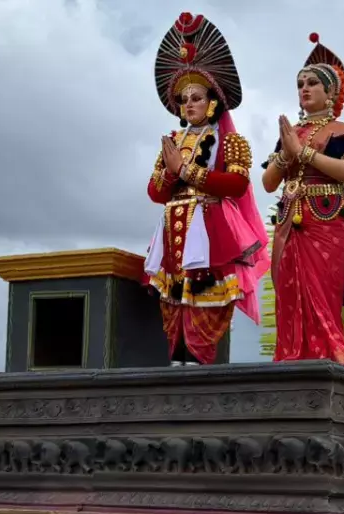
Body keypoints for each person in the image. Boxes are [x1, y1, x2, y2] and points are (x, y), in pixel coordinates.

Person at [145, 12, 270, 366]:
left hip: (211, 230)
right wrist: (171, 174)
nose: (189, 104)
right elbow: (155, 192)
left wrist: (186, 170)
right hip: (174, 229)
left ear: (212, 102)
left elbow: (237, 183)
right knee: (173, 302)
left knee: (208, 301)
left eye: (196, 97)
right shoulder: (172, 140)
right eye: (184, 100)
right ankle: (177, 363)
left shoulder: (229, 141)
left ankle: (203, 370)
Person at [261, 33, 344, 366]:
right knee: (290, 299)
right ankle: (290, 361)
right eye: (300, 84)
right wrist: (287, 155)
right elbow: (268, 183)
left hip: (327, 224)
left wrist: (304, 153)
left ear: (330, 93)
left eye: (312, 83)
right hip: (289, 223)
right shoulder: (290, 133)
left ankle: (336, 366)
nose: (304, 89)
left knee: (322, 301)